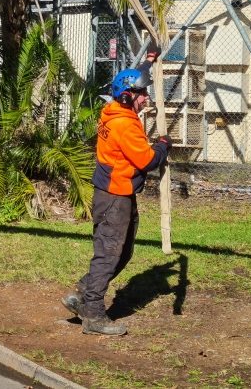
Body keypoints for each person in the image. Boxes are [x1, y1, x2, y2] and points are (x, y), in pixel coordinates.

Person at [64, 51, 170, 335]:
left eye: (146, 91)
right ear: (126, 96)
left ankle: (83, 294)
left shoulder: (114, 111)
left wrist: (149, 61)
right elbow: (147, 160)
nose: (146, 98)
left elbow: (131, 78)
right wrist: (163, 145)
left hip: (115, 193)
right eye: (141, 93)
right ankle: (94, 316)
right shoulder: (124, 125)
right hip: (115, 197)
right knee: (109, 254)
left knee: (122, 251)